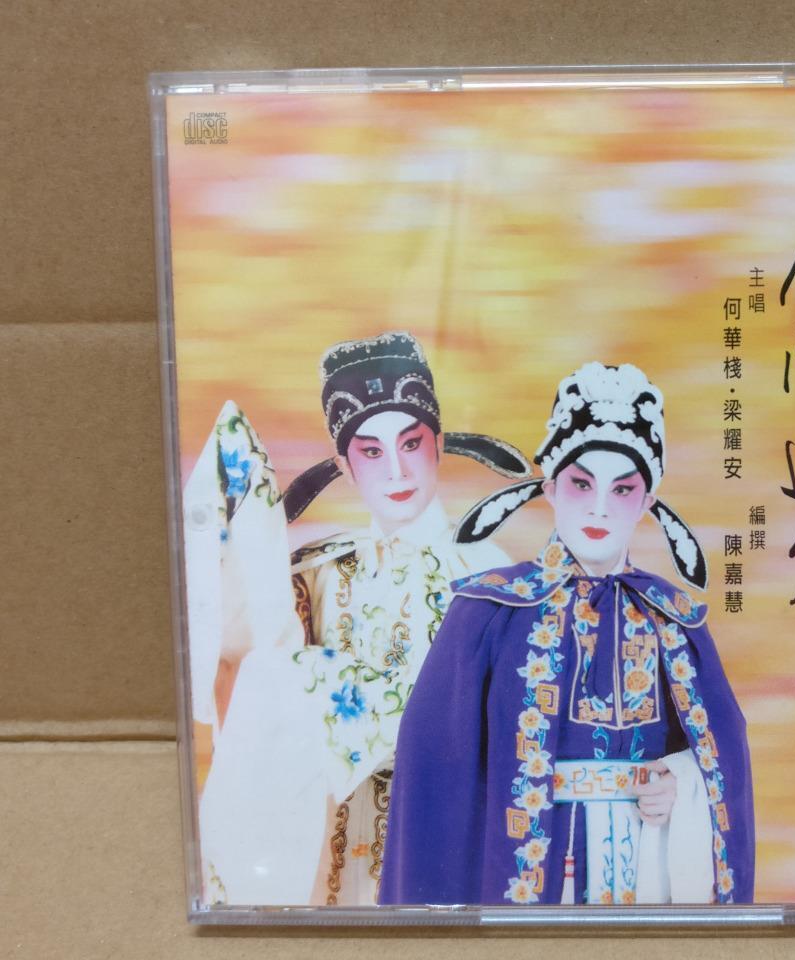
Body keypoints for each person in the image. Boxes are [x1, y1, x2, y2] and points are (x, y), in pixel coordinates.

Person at [380, 362, 754, 906]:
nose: (599, 507)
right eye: (581, 484)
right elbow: (434, 779)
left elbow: (721, 759)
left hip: (645, 865)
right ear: (551, 488)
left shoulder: (674, 620)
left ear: (647, 502)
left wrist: (680, 781)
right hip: (529, 871)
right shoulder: (487, 612)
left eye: (622, 489)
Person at [184, 332, 529, 906]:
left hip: (443, 836)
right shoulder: (313, 574)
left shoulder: (493, 579)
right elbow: (246, 689)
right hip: (328, 853)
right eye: (371, 452)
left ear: (439, 444)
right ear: (345, 465)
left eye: (411, 443)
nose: (396, 470)